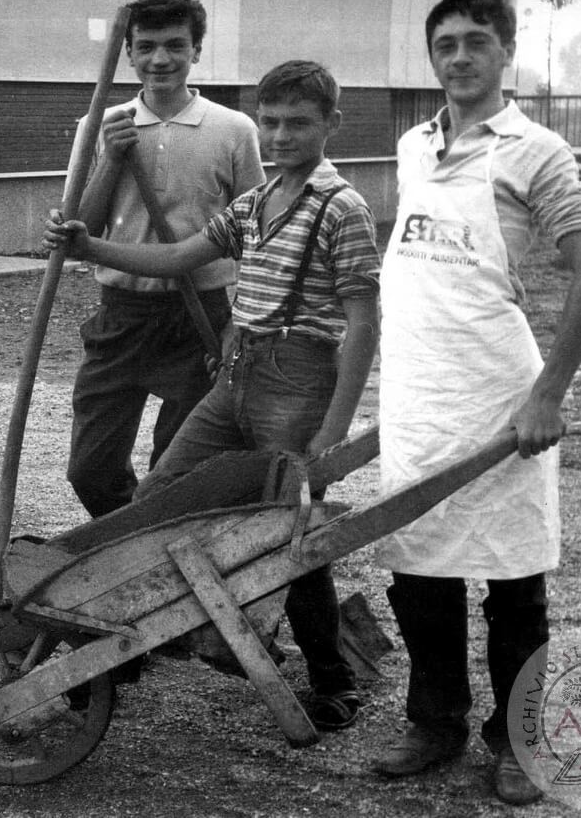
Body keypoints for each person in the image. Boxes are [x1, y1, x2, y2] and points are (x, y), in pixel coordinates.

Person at [44, 60, 381, 731]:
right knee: (159, 502)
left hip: (297, 381)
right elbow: (180, 258)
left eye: (299, 122)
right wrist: (92, 246)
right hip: (236, 376)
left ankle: (333, 678)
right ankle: (126, 643)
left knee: (288, 530)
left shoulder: (341, 207)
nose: (282, 134)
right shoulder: (257, 203)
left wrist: (333, 429)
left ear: (331, 125)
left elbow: (364, 323)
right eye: (273, 121)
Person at [369, 0, 581, 806]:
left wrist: (547, 395)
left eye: (477, 41)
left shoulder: (536, 151)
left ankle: (520, 740)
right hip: (418, 391)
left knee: (513, 577)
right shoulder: (411, 145)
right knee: (418, 566)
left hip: (500, 393)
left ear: (505, 51)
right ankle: (434, 722)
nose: (460, 56)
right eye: (446, 43)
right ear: (431, 56)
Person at [64, 0, 266, 520]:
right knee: (89, 469)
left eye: (175, 45)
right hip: (121, 316)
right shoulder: (100, 124)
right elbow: (80, 226)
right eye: (146, 46)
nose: (160, 60)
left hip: (199, 317)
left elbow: (259, 239)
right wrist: (111, 156)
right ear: (128, 53)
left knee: (177, 473)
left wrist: (239, 321)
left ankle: (157, 551)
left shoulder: (233, 130)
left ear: (196, 51)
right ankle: (131, 541)